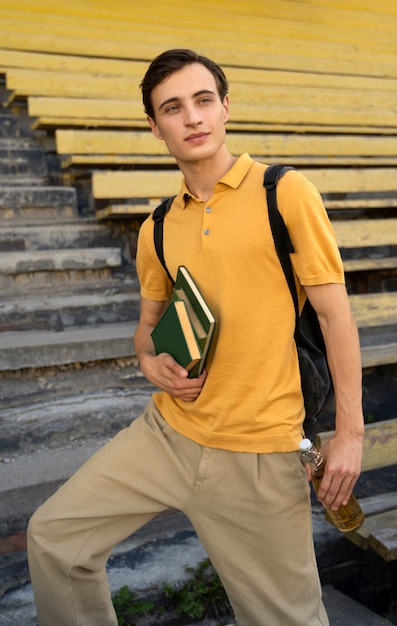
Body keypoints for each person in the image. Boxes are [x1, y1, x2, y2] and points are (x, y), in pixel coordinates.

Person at [27, 49, 364, 626]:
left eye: (203, 100)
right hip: (166, 435)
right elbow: (147, 327)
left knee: (289, 620)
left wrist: (350, 434)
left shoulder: (284, 193)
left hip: (260, 450)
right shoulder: (157, 226)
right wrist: (148, 360)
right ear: (155, 128)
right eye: (173, 108)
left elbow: (336, 318)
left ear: (225, 106)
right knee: (54, 540)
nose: (192, 117)